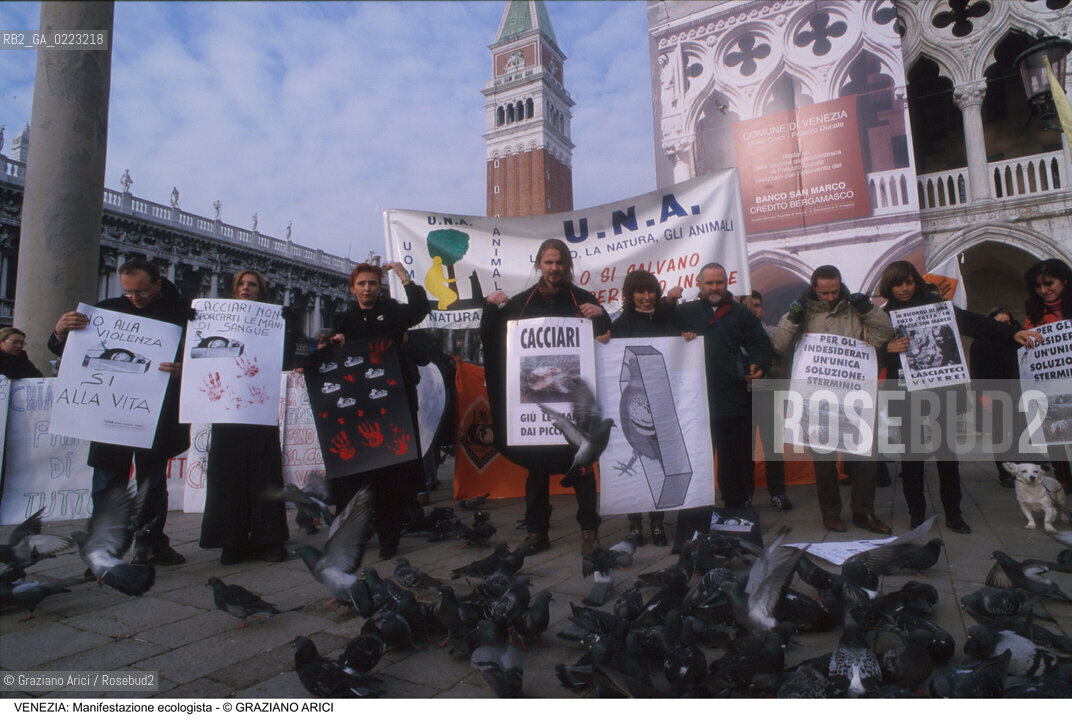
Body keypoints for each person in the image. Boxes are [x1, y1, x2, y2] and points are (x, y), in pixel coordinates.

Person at [878, 261, 1041, 533]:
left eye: (908, 282)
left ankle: (954, 512)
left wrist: (1013, 332)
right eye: (898, 283)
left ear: (916, 281)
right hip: (905, 394)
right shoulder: (881, 317)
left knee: (947, 454)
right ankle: (916, 514)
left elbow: (977, 323)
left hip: (941, 391)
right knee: (912, 458)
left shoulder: (939, 306)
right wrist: (887, 348)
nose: (904, 288)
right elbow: (867, 353)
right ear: (888, 286)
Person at [49, 258, 193, 565]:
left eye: (141, 291)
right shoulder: (107, 310)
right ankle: (103, 553)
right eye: (128, 292)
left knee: (152, 485)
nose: (134, 298)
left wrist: (186, 368)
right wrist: (61, 332)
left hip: (156, 415)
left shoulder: (183, 313)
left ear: (158, 284)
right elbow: (71, 352)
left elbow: (202, 357)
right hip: (108, 414)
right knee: (106, 485)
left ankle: (151, 545)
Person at [480, 238, 611, 555]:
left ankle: (589, 530)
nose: (554, 268)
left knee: (581, 467)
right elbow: (493, 341)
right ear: (539, 264)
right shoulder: (520, 303)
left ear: (568, 266)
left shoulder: (584, 300)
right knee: (535, 469)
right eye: (549, 262)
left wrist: (601, 315)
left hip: (575, 409)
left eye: (560, 263)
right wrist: (489, 309)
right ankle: (537, 532)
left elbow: (607, 341)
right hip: (535, 414)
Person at [772, 265, 894, 534]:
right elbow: (780, 346)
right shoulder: (802, 312)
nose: (829, 297)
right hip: (816, 396)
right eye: (824, 292)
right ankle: (830, 513)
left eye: (834, 291)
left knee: (865, 455)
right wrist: (792, 318)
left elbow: (883, 335)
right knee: (824, 458)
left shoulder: (854, 309)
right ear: (814, 288)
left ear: (841, 285)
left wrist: (868, 310)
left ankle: (864, 511)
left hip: (854, 391)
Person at [330, 261, 430, 560]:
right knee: (357, 476)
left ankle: (390, 538)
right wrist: (335, 344)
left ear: (380, 287)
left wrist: (403, 276)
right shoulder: (344, 320)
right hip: (360, 405)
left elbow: (420, 309)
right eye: (361, 284)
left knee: (391, 473)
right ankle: (356, 536)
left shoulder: (393, 313)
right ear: (352, 289)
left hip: (393, 402)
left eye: (372, 283)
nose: (367, 288)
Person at [199, 270, 298, 564]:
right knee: (228, 475)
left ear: (261, 291)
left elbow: (284, 357)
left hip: (258, 406)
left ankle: (269, 539)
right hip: (226, 409)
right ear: (233, 290)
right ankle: (233, 541)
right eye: (240, 284)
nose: (245, 288)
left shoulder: (274, 319)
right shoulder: (218, 318)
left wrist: (287, 324)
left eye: (251, 284)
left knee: (264, 473)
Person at [674, 263, 772, 526]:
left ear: (726, 284)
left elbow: (760, 344)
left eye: (719, 283)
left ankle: (735, 512)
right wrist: (668, 301)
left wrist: (759, 365)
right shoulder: (683, 312)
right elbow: (658, 329)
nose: (715, 288)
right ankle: (695, 514)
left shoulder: (742, 313)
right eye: (709, 283)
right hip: (695, 402)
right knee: (696, 459)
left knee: (734, 461)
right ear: (699, 284)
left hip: (733, 402)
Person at [608, 270, 688, 546]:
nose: (646, 297)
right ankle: (634, 524)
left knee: (659, 459)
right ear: (630, 296)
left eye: (650, 291)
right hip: (632, 404)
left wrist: (687, 340)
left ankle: (656, 522)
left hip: (663, 402)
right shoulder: (621, 325)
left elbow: (680, 354)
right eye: (640, 292)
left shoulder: (667, 320)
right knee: (633, 456)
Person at [1023, 258, 1072, 492]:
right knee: (1057, 445)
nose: (1044, 290)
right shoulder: (1033, 314)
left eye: (1049, 283)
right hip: (1051, 392)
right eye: (1038, 286)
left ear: (1064, 280)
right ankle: (1065, 489)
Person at [745, 291, 793, 511]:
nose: (753, 309)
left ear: (761, 309)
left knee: (772, 446)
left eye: (756, 305)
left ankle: (778, 492)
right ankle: (745, 494)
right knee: (744, 448)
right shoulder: (733, 332)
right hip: (742, 396)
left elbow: (786, 349)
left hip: (768, 392)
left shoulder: (773, 332)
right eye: (748, 305)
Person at [968, 306, 1022, 488]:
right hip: (994, 394)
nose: (1005, 326)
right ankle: (1005, 472)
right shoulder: (981, 341)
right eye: (999, 323)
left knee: (1019, 431)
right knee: (1000, 435)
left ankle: (1021, 467)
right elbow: (976, 370)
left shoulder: (1019, 338)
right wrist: (982, 396)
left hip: (1018, 392)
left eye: (1007, 322)